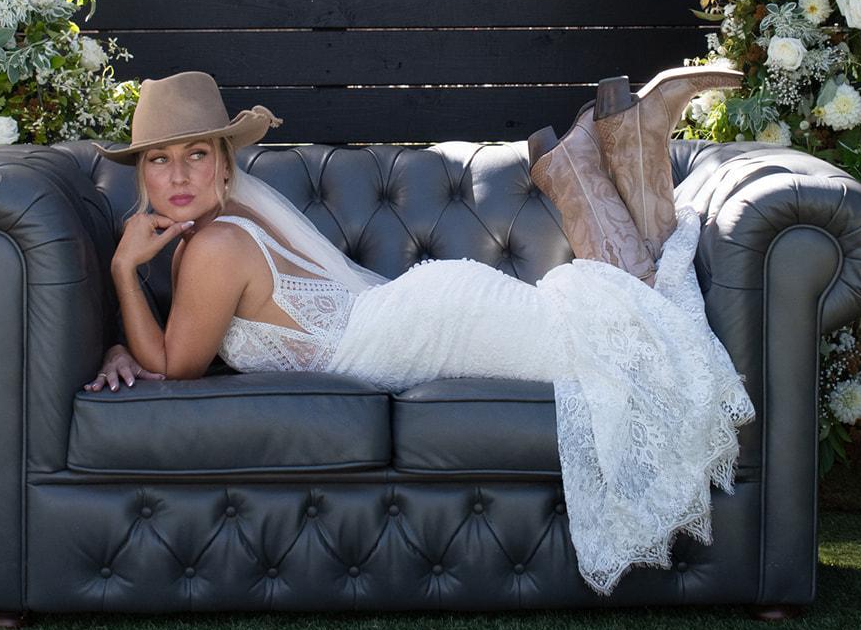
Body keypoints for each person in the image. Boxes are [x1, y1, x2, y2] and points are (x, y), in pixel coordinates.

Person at [86, 70, 756, 596]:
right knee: (616, 332)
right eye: (159, 160)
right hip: (432, 312)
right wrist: (122, 344)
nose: (178, 176)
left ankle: (618, 144)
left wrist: (121, 271)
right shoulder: (214, 233)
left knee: (624, 342)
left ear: (224, 163)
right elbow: (177, 350)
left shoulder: (210, 247)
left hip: (436, 322)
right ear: (142, 172)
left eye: (195, 155)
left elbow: (177, 366)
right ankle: (600, 152)